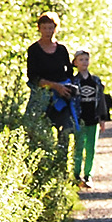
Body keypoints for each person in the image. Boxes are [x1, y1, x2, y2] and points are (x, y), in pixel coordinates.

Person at [25, 15, 77, 173]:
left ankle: (61, 169)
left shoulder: (61, 50)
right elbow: (32, 77)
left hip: (62, 96)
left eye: (51, 27)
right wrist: (53, 86)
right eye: (45, 27)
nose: (48, 31)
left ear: (56, 28)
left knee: (66, 130)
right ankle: (37, 167)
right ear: (39, 28)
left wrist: (68, 88)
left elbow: (70, 73)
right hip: (41, 95)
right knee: (33, 129)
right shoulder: (34, 50)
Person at [65, 49, 111, 189]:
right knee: (78, 147)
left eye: (86, 59)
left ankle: (88, 175)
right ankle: (76, 174)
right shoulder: (73, 81)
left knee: (91, 148)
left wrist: (102, 118)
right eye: (81, 60)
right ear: (75, 63)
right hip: (79, 119)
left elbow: (101, 99)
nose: (84, 62)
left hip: (93, 119)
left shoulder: (95, 81)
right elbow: (70, 101)